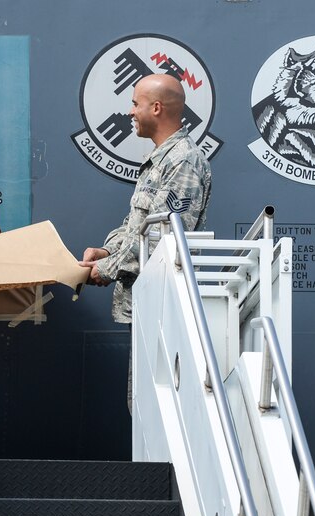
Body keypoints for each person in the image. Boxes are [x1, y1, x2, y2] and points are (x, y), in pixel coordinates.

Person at [79, 73, 212, 409]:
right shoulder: (162, 159)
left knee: (153, 406)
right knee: (141, 403)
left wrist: (105, 270)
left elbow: (161, 238)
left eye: (135, 104)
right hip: (148, 303)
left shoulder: (182, 161)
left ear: (155, 108)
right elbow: (137, 225)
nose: (130, 112)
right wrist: (107, 250)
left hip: (163, 306)